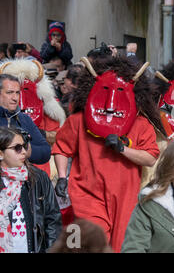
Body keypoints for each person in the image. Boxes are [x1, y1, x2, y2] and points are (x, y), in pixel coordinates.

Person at [52, 56, 163, 252]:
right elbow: (62, 148)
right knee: (92, 243)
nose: (111, 102)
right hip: (86, 195)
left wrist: (123, 149)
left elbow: (150, 157)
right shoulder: (78, 121)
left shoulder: (140, 124)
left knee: (121, 247)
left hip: (125, 199)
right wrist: (62, 177)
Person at [0, 126, 62, 253]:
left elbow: (53, 219)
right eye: (17, 148)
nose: (24, 151)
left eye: (24, 146)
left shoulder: (38, 178)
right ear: (1, 154)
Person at [0, 74, 51, 165]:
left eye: (17, 92)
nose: (15, 98)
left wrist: (25, 150)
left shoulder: (24, 119)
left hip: (22, 174)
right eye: (9, 92)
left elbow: (46, 151)